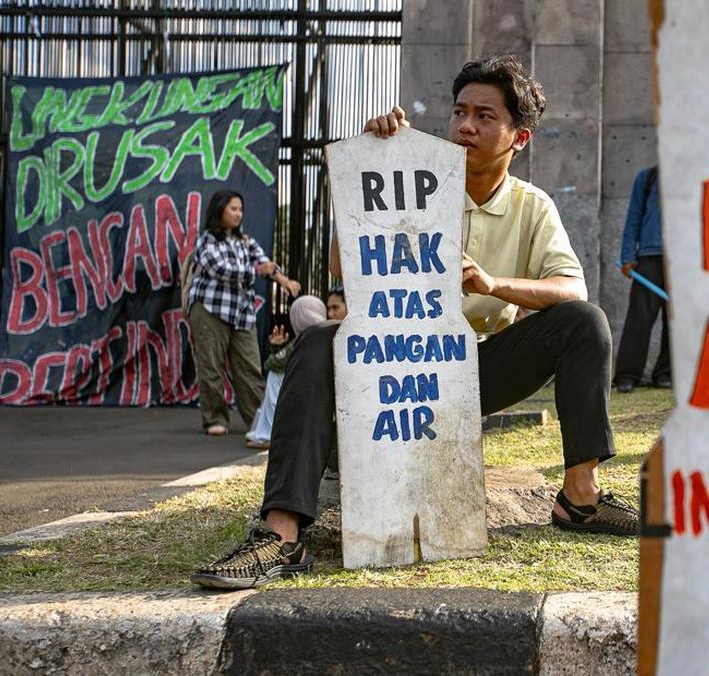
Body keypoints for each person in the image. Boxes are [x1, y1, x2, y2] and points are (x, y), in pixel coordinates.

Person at [192, 55, 638, 590]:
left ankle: (580, 499)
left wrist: (494, 284)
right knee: (315, 345)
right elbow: (340, 265)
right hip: (390, 362)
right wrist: (369, 171)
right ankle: (282, 534)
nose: (465, 125)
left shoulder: (533, 206)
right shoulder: (411, 178)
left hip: (474, 369)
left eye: (485, 116)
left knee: (584, 321)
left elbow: (572, 289)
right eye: (459, 112)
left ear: (518, 139)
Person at [187, 190, 300, 436]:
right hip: (210, 308)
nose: (238, 214)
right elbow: (219, 269)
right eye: (233, 209)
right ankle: (214, 418)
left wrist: (283, 279)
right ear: (220, 211)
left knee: (250, 366)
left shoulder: (245, 241)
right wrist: (257, 270)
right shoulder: (207, 240)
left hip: (241, 312)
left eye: (240, 209)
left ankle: (259, 421)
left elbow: (265, 263)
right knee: (211, 365)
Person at [244, 296, 330, 450]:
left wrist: (277, 352)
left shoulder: (304, 339)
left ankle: (268, 433)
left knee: (275, 376)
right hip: (313, 398)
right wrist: (277, 349)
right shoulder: (324, 337)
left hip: (304, 398)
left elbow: (273, 364)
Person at [615, 165, 670, 393]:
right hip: (650, 256)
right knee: (639, 318)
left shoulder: (696, 176)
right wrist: (628, 255)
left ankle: (666, 374)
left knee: (677, 322)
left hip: (685, 259)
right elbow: (634, 216)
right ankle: (627, 375)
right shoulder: (648, 178)